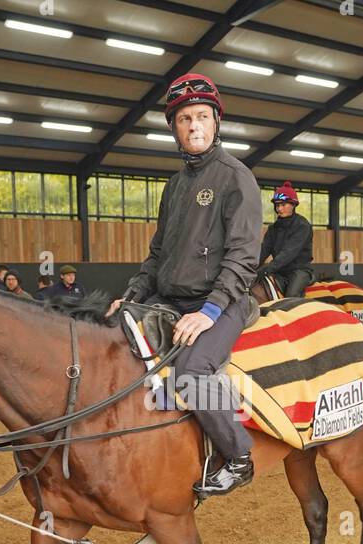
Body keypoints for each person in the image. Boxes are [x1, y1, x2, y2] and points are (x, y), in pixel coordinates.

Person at [108, 72, 261, 497]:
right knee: (112, 342)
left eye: (201, 117)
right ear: (174, 128)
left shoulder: (236, 177)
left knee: (191, 373)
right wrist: (134, 293)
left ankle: (238, 455)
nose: (193, 126)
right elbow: (158, 253)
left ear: (215, 123)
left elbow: (244, 257)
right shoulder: (175, 186)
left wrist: (208, 312)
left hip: (222, 301)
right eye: (184, 119)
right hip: (167, 296)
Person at [258, 181, 313, 298]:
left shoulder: (302, 226)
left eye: (283, 205)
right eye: (277, 205)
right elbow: (264, 250)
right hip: (279, 270)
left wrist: (267, 268)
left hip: (299, 271)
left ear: (293, 205)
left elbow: (288, 253)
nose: (279, 209)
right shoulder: (273, 228)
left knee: (291, 295)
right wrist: (251, 267)